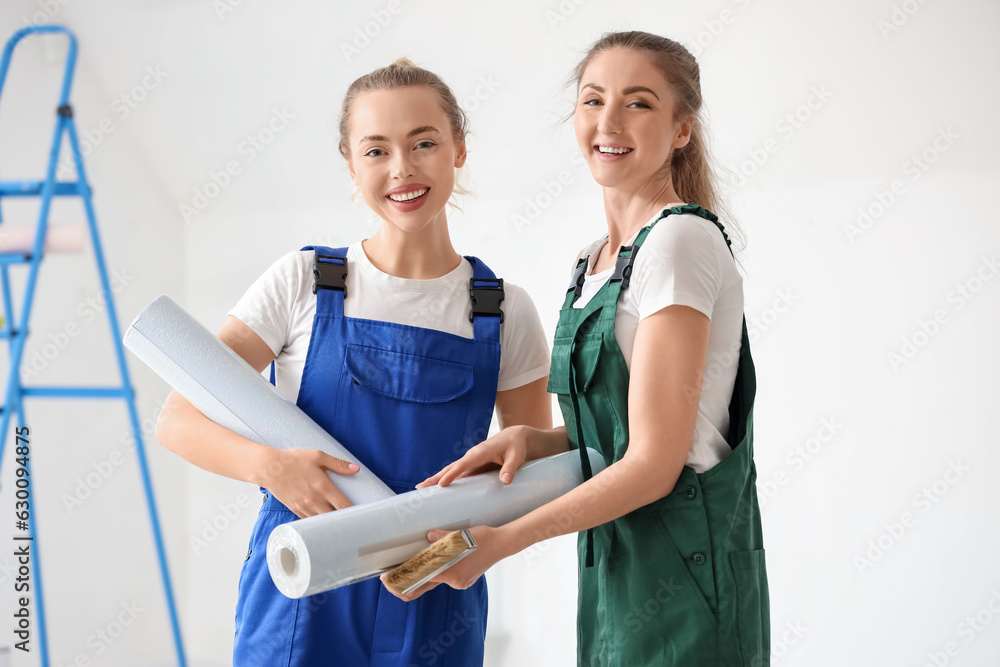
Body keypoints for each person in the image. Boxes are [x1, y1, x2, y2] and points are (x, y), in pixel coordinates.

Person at [155, 58, 552, 666]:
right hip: (302, 592)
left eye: (424, 143)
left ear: (459, 150)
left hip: (435, 585)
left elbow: (533, 476)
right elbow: (177, 420)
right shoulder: (306, 283)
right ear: (350, 163)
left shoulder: (502, 311)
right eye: (376, 151)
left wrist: (478, 545)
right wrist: (270, 467)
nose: (402, 169)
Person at [406, 31, 770, 666]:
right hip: (616, 571)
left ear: (682, 129)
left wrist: (502, 542)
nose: (608, 122)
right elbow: (612, 434)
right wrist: (536, 441)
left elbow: (656, 463)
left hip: (688, 570)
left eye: (639, 104)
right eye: (593, 100)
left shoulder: (680, 241)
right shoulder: (591, 264)